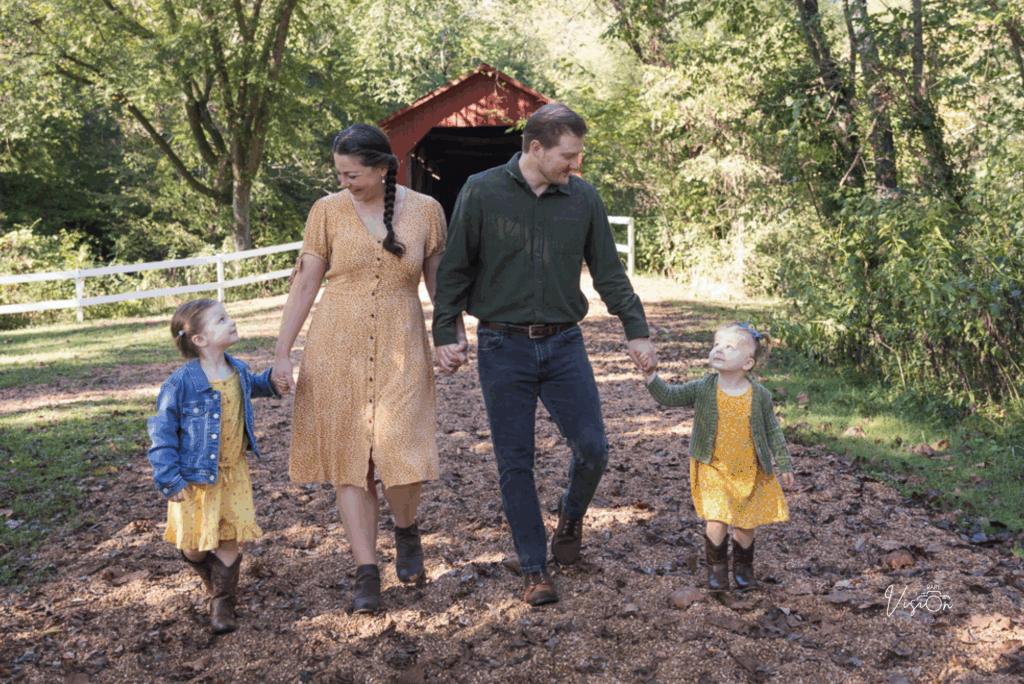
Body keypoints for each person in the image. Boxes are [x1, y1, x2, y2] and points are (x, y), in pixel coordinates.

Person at [432, 102, 657, 607]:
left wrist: (636, 330)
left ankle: (571, 515)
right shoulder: (483, 190)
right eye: (568, 156)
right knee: (516, 462)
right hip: (501, 345)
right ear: (536, 148)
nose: (575, 166)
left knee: (594, 447)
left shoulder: (583, 198)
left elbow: (610, 273)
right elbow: (455, 269)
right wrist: (445, 331)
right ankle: (534, 568)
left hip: (563, 343)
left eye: (577, 157)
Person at [272, 123, 460, 615]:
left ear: (382, 168)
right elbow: (306, 282)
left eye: (353, 174)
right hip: (336, 345)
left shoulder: (427, 212)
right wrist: (281, 352)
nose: (344, 182)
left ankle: (405, 527)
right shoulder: (326, 211)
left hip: (403, 341)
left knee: (402, 452)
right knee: (350, 461)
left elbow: (440, 288)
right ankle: (365, 572)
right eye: (339, 173)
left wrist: (450, 338)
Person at [148, 299, 282, 634]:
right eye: (221, 320)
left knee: (228, 537)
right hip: (194, 479)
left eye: (228, 316)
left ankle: (223, 603)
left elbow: (255, 385)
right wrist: (168, 477)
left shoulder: (237, 369)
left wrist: (276, 381)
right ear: (200, 340)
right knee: (193, 546)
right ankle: (209, 575)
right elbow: (161, 433)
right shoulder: (179, 384)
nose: (231, 321)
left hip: (233, 472)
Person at [639, 321, 794, 592]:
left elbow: (773, 431)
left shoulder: (759, 395)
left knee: (746, 525)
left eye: (729, 347)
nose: (719, 350)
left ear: (747, 363)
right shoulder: (704, 387)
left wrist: (784, 463)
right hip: (713, 466)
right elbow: (668, 396)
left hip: (749, 469)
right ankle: (717, 571)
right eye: (716, 345)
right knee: (717, 518)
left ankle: (744, 569)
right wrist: (652, 375)